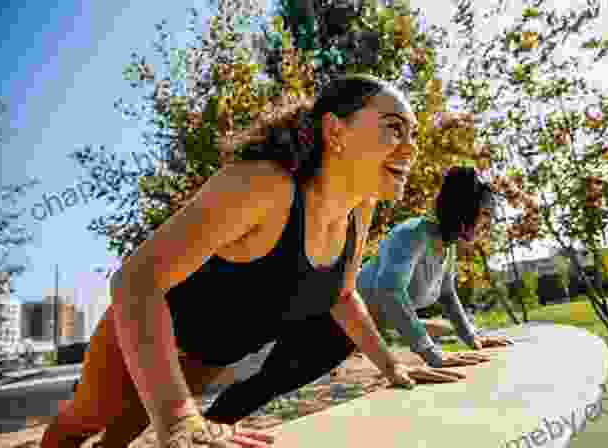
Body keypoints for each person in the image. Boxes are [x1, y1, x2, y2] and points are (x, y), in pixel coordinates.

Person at [40, 74, 468, 448]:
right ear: (336, 131)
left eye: (413, 134)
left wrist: (394, 367)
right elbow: (135, 281)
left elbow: (342, 294)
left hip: (208, 358)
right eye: (395, 129)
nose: (411, 147)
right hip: (139, 337)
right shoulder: (264, 185)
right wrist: (177, 417)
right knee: (84, 421)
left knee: (124, 434)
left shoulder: (361, 209)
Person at [356, 166, 513, 369]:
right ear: (464, 209)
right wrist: (430, 352)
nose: (487, 223)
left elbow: (446, 294)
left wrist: (473, 337)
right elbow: (389, 291)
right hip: (332, 318)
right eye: (484, 214)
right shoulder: (412, 234)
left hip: (360, 332)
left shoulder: (448, 248)